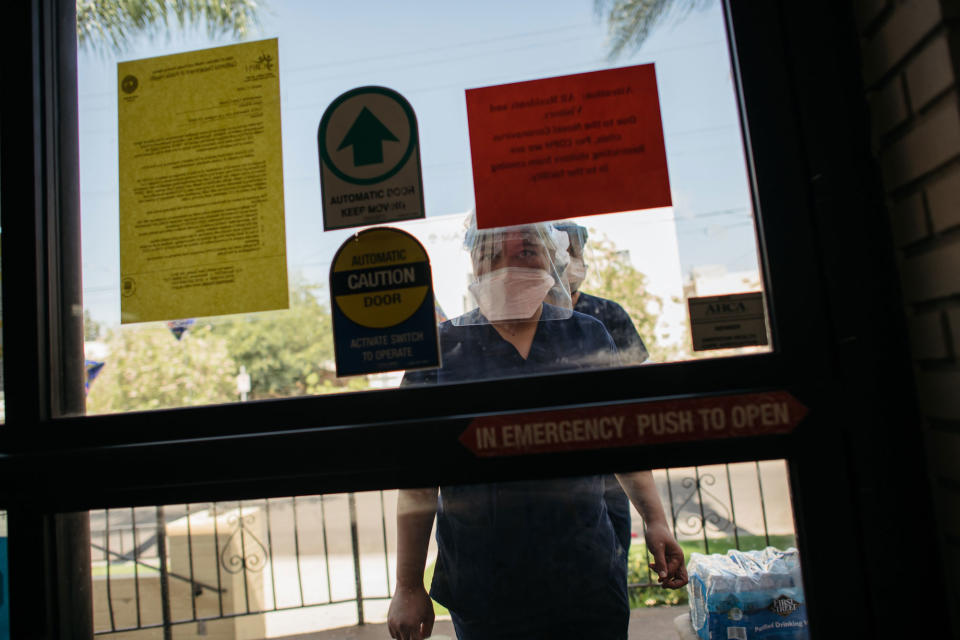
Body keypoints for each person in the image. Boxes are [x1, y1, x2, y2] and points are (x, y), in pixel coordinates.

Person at [387, 217, 686, 640]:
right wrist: (407, 586)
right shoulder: (439, 351)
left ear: (551, 259)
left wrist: (656, 520)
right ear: (474, 263)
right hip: (485, 586)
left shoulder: (586, 334)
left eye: (526, 251)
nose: (510, 266)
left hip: (587, 577)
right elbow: (418, 482)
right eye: (493, 254)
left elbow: (621, 438)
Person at [554, 220, 651, 575]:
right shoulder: (522, 324)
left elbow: (631, 405)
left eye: (573, 252)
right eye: (559, 252)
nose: (567, 261)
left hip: (608, 484)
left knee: (606, 574)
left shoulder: (607, 316)